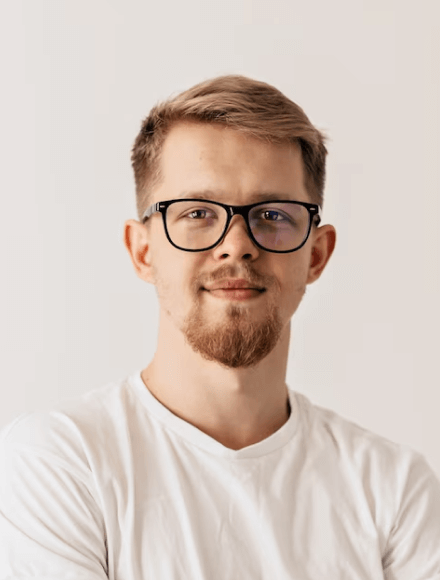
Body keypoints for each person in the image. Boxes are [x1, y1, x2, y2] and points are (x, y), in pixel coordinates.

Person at [1, 75, 439, 579]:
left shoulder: (394, 488)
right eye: (197, 213)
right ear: (143, 251)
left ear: (317, 255)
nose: (237, 245)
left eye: (273, 214)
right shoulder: (60, 462)